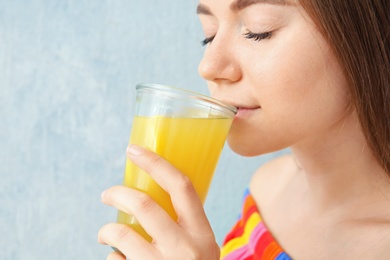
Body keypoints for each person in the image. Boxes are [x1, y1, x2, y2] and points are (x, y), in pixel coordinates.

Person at [98, 0, 390, 259]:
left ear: (361, 32)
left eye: (257, 31)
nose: (208, 66)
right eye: (209, 35)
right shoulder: (266, 189)